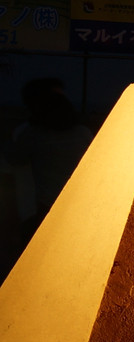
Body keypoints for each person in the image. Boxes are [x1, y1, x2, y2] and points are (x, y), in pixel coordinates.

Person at [6, 77, 93, 235]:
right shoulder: (83, 133)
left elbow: (15, 159)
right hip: (81, 204)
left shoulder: (31, 135)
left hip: (47, 207)